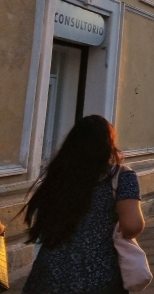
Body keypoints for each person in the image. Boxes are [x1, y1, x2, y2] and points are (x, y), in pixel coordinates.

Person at [21, 115, 144, 294]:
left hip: (49, 274)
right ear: (108, 144)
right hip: (98, 274)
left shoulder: (58, 176)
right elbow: (132, 226)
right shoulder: (120, 176)